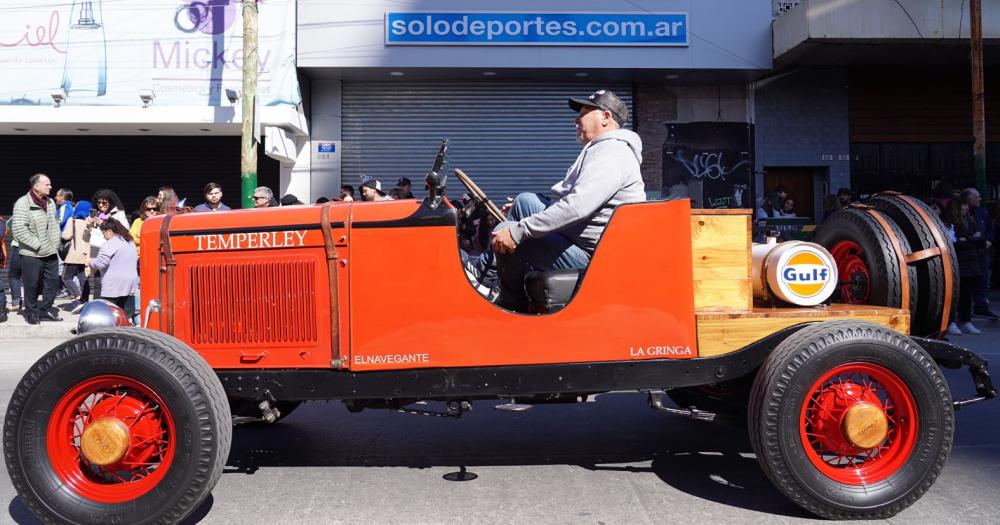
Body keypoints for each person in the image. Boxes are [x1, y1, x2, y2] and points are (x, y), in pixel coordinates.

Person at [486, 89, 645, 311]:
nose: (576, 119)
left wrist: (518, 231)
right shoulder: (604, 149)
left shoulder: (612, 154)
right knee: (525, 202)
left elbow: (577, 206)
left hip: (596, 256)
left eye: (584, 113)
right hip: (581, 240)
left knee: (508, 229)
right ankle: (494, 277)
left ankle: (508, 303)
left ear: (606, 118)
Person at [11, 173, 63, 324]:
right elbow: (19, 229)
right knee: (31, 284)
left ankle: (46, 309)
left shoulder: (51, 202)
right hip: (32, 253)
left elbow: (54, 224)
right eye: (47, 184)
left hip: (51, 251)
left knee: (53, 283)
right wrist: (37, 244)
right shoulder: (22, 203)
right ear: (36, 186)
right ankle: (31, 312)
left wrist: (55, 242)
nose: (50, 187)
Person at [948, 195, 985, 334]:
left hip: (971, 261)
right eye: (963, 205)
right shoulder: (952, 221)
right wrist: (972, 240)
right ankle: (952, 321)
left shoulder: (971, 220)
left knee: (967, 293)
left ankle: (966, 320)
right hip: (959, 261)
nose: (966, 208)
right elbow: (955, 242)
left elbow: (981, 239)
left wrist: (967, 240)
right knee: (956, 293)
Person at [961, 188, 998, 320]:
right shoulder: (961, 214)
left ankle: (981, 306)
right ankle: (965, 311)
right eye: (976, 196)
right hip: (969, 253)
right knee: (968, 283)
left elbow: (990, 229)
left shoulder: (982, 213)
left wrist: (988, 240)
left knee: (983, 280)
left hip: (983, 252)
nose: (980, 199)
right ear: (967, 199)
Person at [88, 219, 138, 313]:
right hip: (130, 284)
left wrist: (90, 262)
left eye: (103, 233)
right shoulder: (129, 242)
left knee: (109, 314)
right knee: (125, 315)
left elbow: (100, 263)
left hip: (114, 286)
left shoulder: (110, 243)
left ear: (109, 231)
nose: (104, 237)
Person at [61, 200, 92, 312]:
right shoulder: (91, 223)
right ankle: (85, 300)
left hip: (74, 254)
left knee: (66, 277)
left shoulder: (72, 221)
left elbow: (66, 236)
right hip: (86, 254)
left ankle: (78, 297)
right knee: (83, 277)